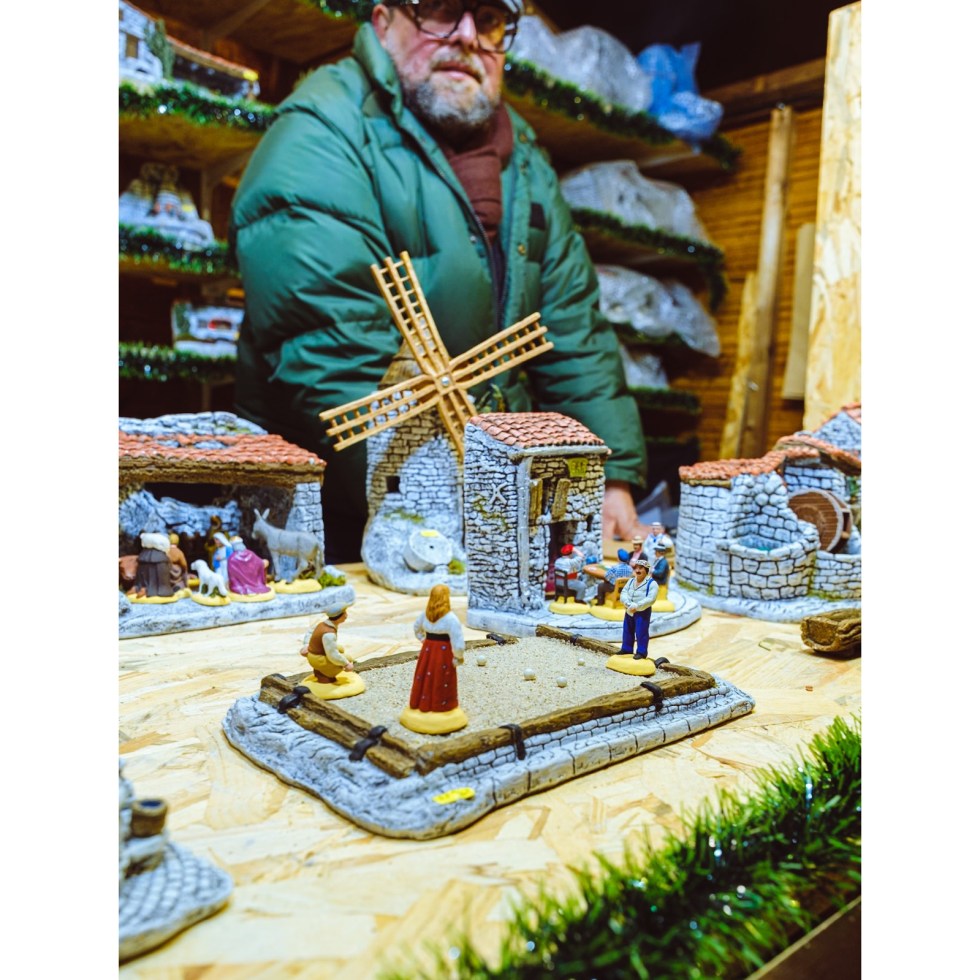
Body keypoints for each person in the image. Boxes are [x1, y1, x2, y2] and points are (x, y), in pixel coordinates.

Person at [229, 1, 649, 563]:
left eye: (490, 19)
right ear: (384, 23)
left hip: (483, 506)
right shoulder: (320, 132)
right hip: (345, 522)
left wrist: (609, 477)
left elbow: (573, 329)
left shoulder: (523, 160)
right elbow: (333, 352)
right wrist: (463, 502)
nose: (468, 35)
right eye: (442, 9)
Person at [407, 583, 466, 714]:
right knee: (441, 677)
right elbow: (458, 643)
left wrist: (424, 640)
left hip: (428, 650)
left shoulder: (425, 614)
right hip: (443, 652)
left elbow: (416, 627)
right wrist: (458, 657)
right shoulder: (451, 619)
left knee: (425, 674)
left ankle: (421, 703)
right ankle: (440, 706)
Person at [301, 607, 355, 683]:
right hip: (317, 658)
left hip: (315, 654)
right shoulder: (329, 634)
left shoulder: (322, 624)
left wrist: (306, 644)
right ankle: (326, 676)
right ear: (339, 617)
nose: (346, 616)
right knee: (348, 658)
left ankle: (322, 671)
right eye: (344, 614)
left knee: (340, 649)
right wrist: (346, 664)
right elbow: (332, 655)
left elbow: (310, 632)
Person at [619, 558, 657, 659]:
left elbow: (651, 599)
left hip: (642, 612)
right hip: (629, 610)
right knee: (627, 629)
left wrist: (637, 606)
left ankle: (641, 652)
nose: (637, 570)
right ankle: (626, 649)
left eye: (641, 568)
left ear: (646, 570)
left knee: (641, 631)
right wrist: (627, 603)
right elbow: (624, 592)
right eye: (636, 568)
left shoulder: (652, 583)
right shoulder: (631, 581)